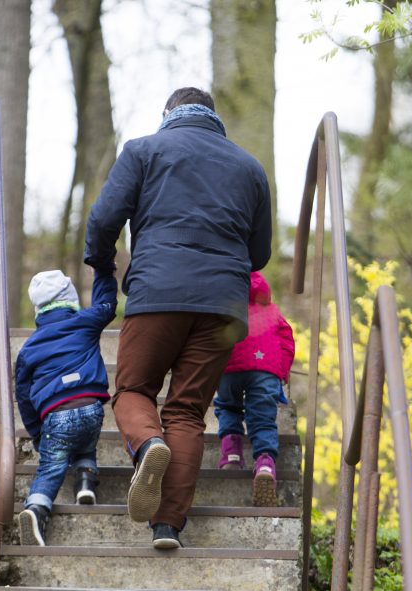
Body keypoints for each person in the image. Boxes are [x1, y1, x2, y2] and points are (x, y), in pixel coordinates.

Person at [84, 86, 272, 549]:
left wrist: (102, 263)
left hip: (157, 294)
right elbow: (261, 253)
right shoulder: (249, 167)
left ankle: (149, 446)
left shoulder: (144, 151)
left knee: (132, 389)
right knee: (187, 411)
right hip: (223, 308)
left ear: (168, 113)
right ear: (214, 117)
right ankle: (167, 526)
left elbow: (104, 218)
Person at [15, 267, 118, 546]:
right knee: (85, 444)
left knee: (51, 466)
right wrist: (104, 271)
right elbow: (107, 305)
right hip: (91, 407)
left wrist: (36, 432)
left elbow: (23, 396)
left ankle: (36, 509)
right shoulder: (85, 322)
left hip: (55, 416)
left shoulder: (29, 348)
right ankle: (86, 482)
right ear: (70, 299)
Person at [214, 271, 294, 507]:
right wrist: (282, 371)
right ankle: (265, 463)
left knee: (228, 406)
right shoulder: (273, 311)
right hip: (266, 369)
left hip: (229, 366)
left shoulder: (224, 308)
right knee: (263, 417)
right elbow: (287, 340)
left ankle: (231, 454)